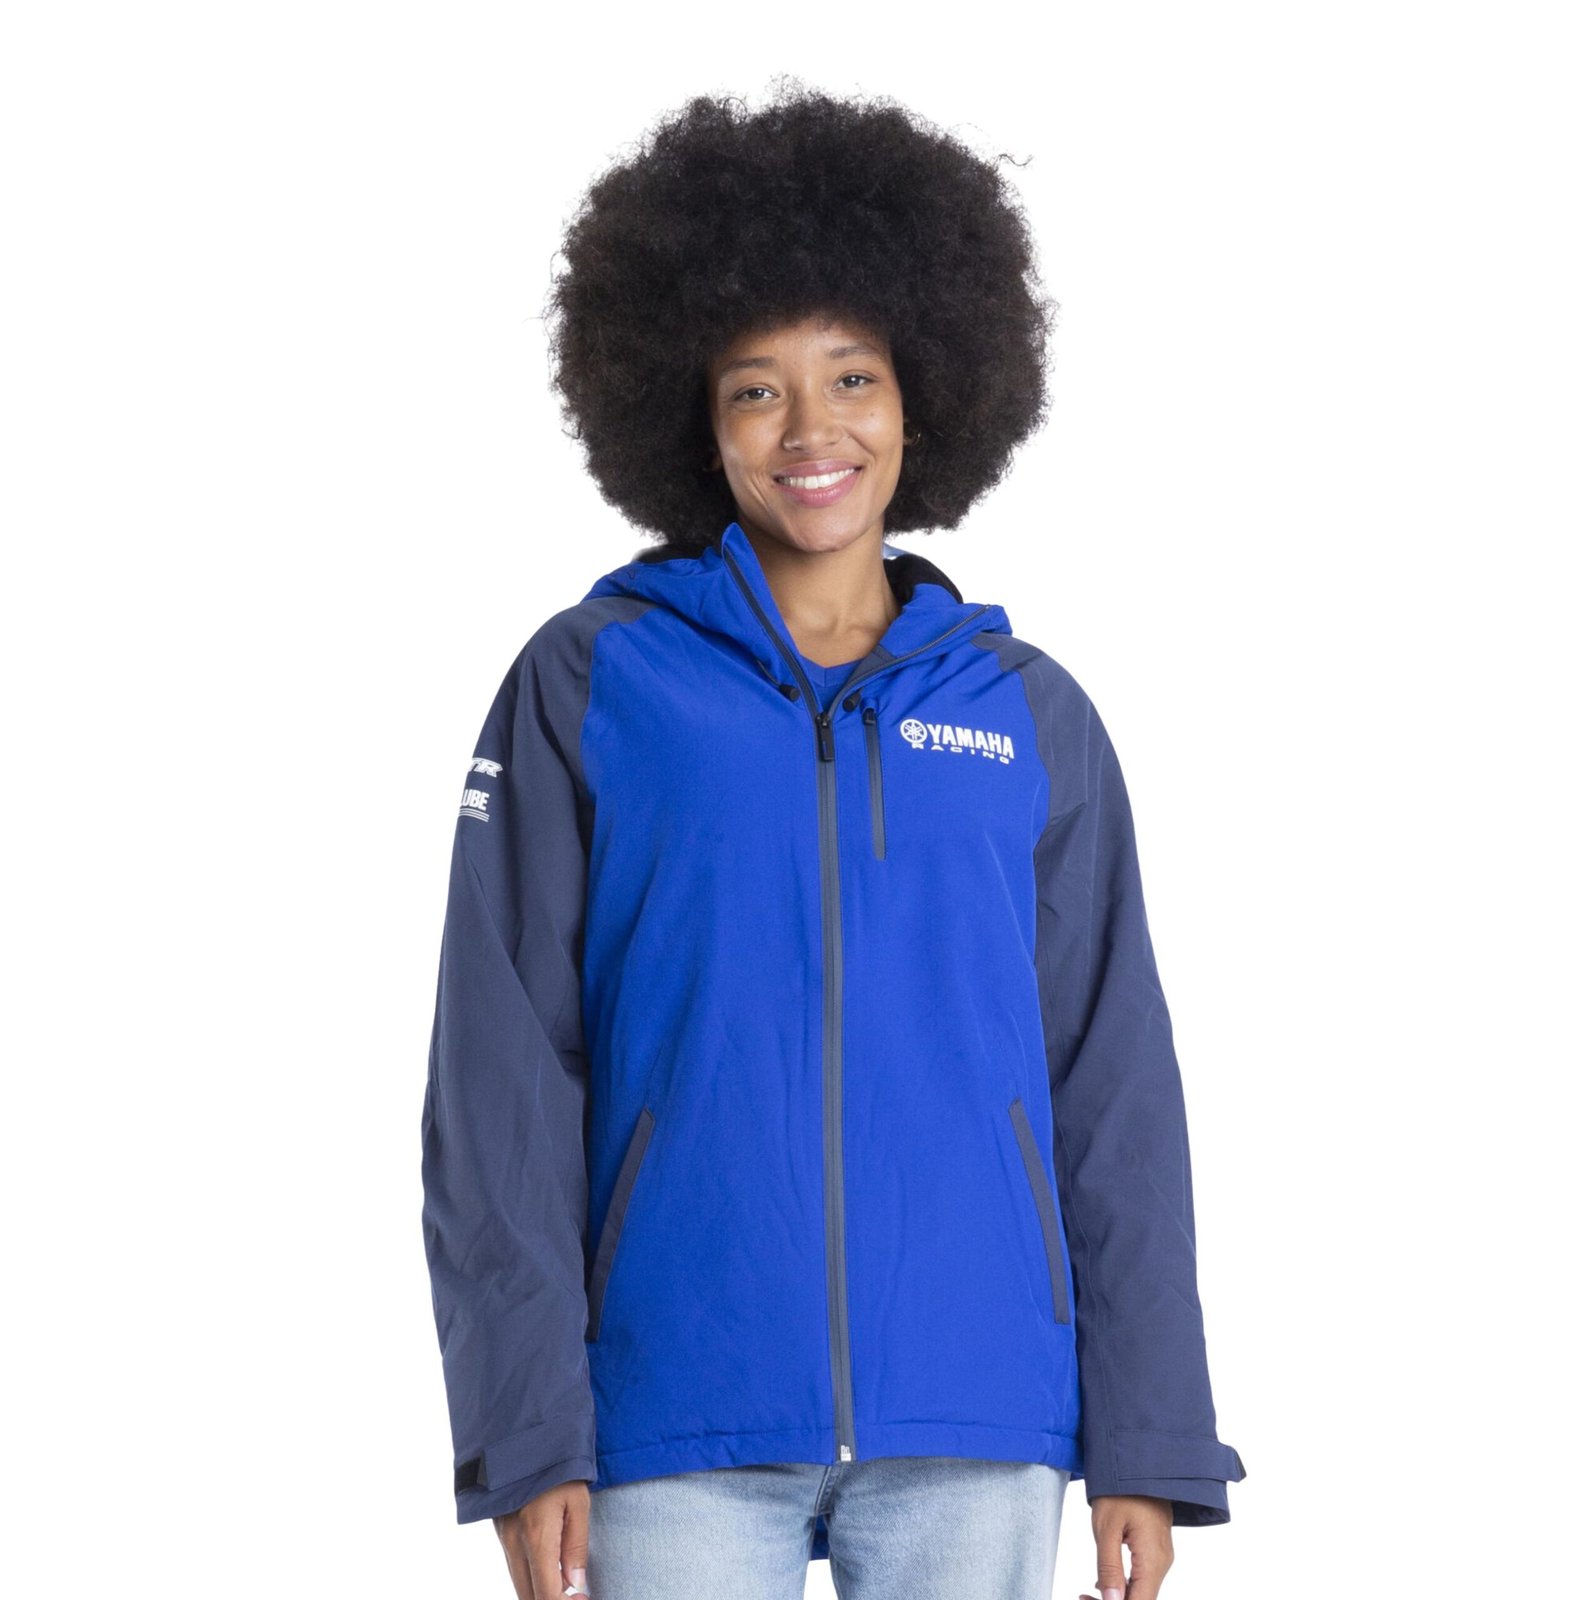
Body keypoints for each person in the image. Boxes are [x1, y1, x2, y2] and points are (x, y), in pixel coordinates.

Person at [419, 82, 1245, 1600]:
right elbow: (499, 1079)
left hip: (976, 1413)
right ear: (695, 415)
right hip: (670, 1414)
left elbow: (1112, 1083)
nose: (812, 431)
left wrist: (1148, 1430)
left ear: (924, 394)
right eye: (757, 389)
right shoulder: (592, 683)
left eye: (853, 376)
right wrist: (527, 1434)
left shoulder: (1027, 714)